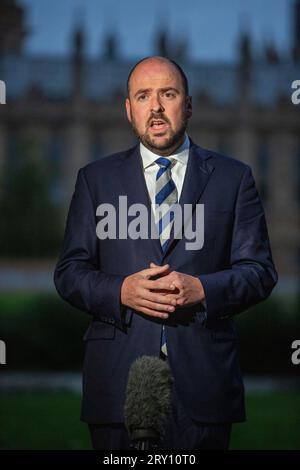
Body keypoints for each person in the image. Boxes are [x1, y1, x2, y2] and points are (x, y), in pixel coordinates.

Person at [54, 56, 278, 450]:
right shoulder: (95, 180)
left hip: (204, 387)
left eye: (167, 94)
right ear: (129, 109)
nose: (155, 107)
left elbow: (259, 271)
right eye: (143, 96)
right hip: (117, 384)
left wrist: (203, 290)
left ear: (187, 105)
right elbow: (70, 272)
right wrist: (120, 291)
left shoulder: (233, 178)